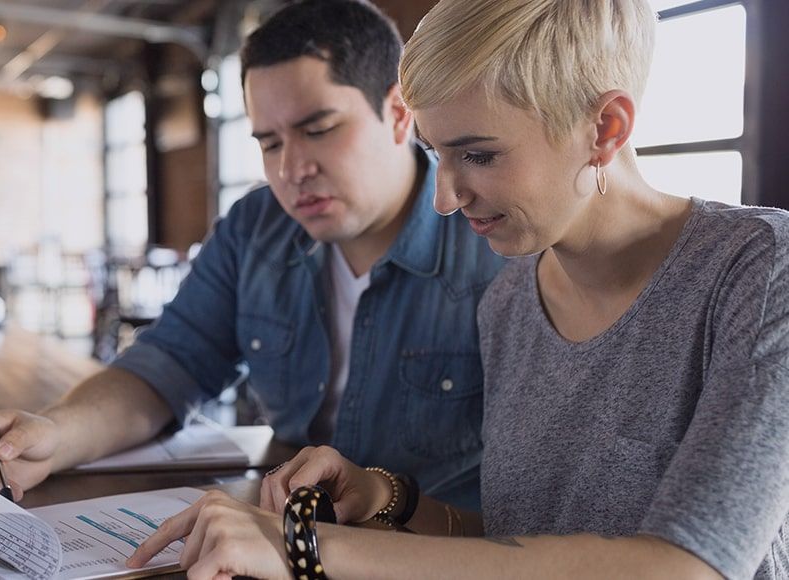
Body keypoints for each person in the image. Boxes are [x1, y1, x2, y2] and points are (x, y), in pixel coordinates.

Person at [127, 0, 789, 578]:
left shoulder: (759, 272)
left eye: (479, 155)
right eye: (438, 154)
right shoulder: (510, 298)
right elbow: (519, 552)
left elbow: (684, 567)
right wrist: (391, 498)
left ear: (605, 129)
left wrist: (305, 545)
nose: (445, 197)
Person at [0, 0, 504, 511]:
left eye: (318, 130)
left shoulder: (495, 239)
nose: (291, 169)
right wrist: (55, 435)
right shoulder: (255, 228)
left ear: (398, 113)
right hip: (285, 536)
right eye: (269, 143)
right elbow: (169, 364)